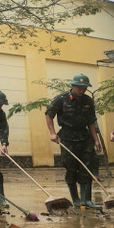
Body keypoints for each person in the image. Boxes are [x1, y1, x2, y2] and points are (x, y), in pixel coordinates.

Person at [45, 73, 103, 209]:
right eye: (80, 87)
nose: (82, 90)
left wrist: (96, 140)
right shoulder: (61, 99)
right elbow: (49, 115)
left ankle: (86, 200)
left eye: (85, 88)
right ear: (73, 86)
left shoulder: (88, 101)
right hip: (67, 136)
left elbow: (91, 122)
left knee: (87, 167)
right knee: (71, 167)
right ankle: (75, 198)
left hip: (84, 136)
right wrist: (52, 133)